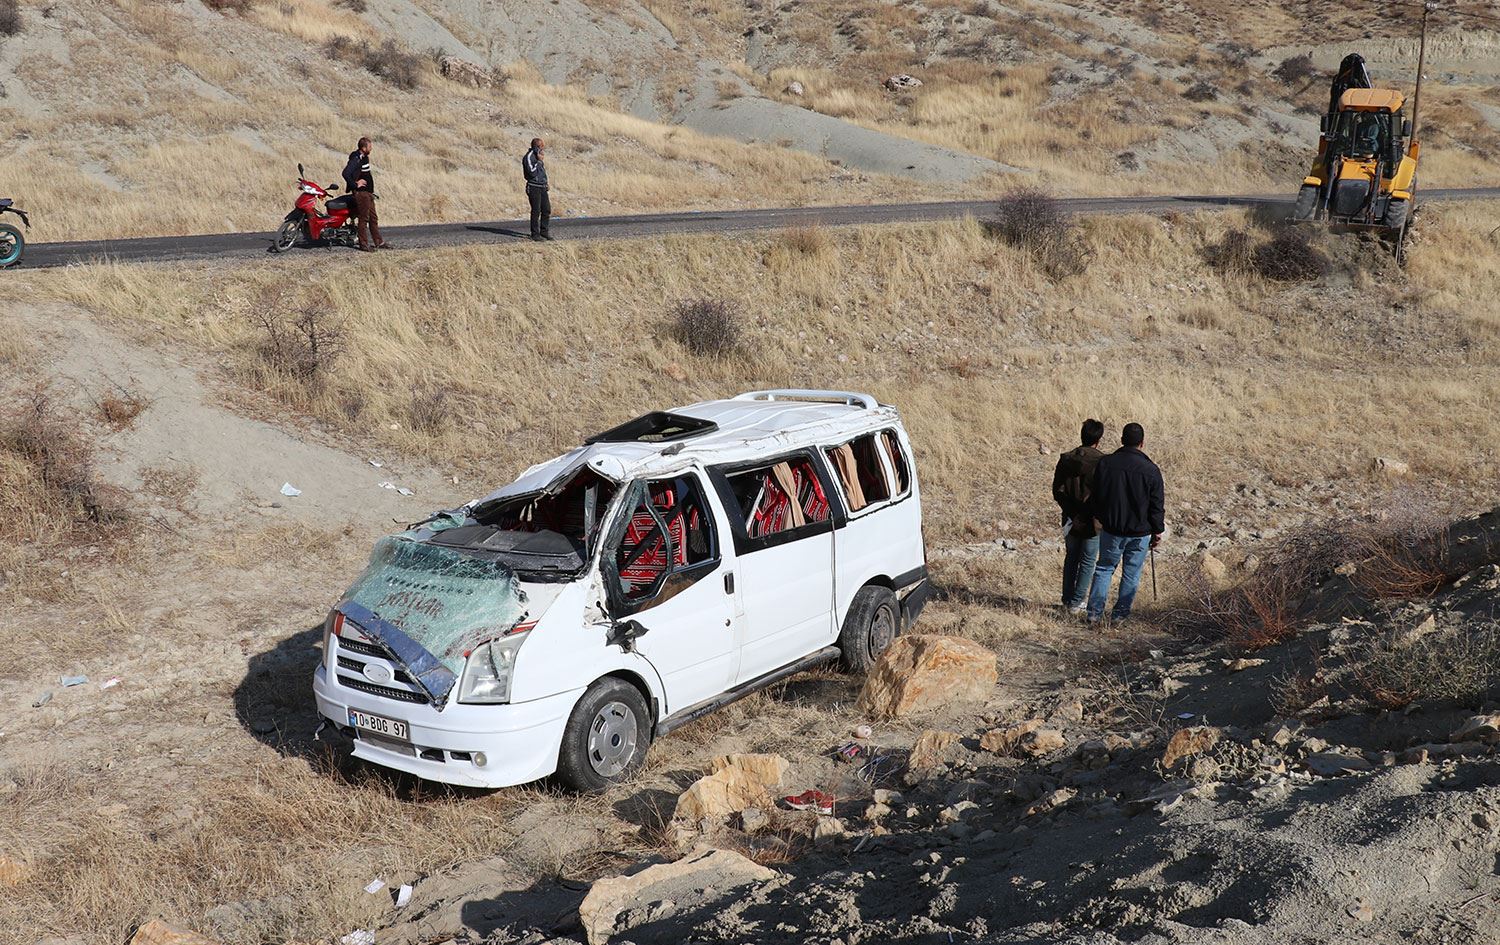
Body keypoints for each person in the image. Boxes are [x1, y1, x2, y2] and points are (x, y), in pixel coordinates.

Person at [1085, 422, 1165, 624]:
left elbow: (1096, 495)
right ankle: (1119, 616)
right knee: (1131, 574)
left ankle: (1094, 614)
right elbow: (1157, 504)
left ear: (1122, 440)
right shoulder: (1151, 469)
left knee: (1104, 569)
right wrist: (1157, 531)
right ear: (1142, 443)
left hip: (1112, 529)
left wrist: (1099, 517)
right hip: (1140, 532)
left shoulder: (1106, 463)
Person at [1052, 419, 1105, 614]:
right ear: (1098, 439)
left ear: (1082, 435)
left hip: (1070, 517)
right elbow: (1104, 493)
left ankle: (1067, 599)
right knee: (1089, 560)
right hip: (1092, 519)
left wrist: (1071, 511)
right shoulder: (1102, 462)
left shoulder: (1066, 459)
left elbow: (1057, 491)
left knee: (1071, 557)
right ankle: (1077, 602)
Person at [342, 136, 388, 252]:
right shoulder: (357, 158)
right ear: (363, 148)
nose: (371, 148)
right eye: (369, 146)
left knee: (373, 218)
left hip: (368, 193)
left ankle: (378, 242)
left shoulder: (364, 157)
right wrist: (355, 184)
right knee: (364, 218)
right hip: (361, 194)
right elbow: (346, 173)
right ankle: (364, 244)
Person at [522, 137, 552, 242]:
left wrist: (545, 183)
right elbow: (532, 172)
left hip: (542, 186)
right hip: (533, 186)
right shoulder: (529, 157)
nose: (543, 149)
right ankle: (535, 234)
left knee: (546, 209)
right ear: (537, 147)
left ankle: (544, 231)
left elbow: (541, 172)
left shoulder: (539, 156)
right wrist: (539, 161)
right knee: (536, 211)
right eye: (541, 147)